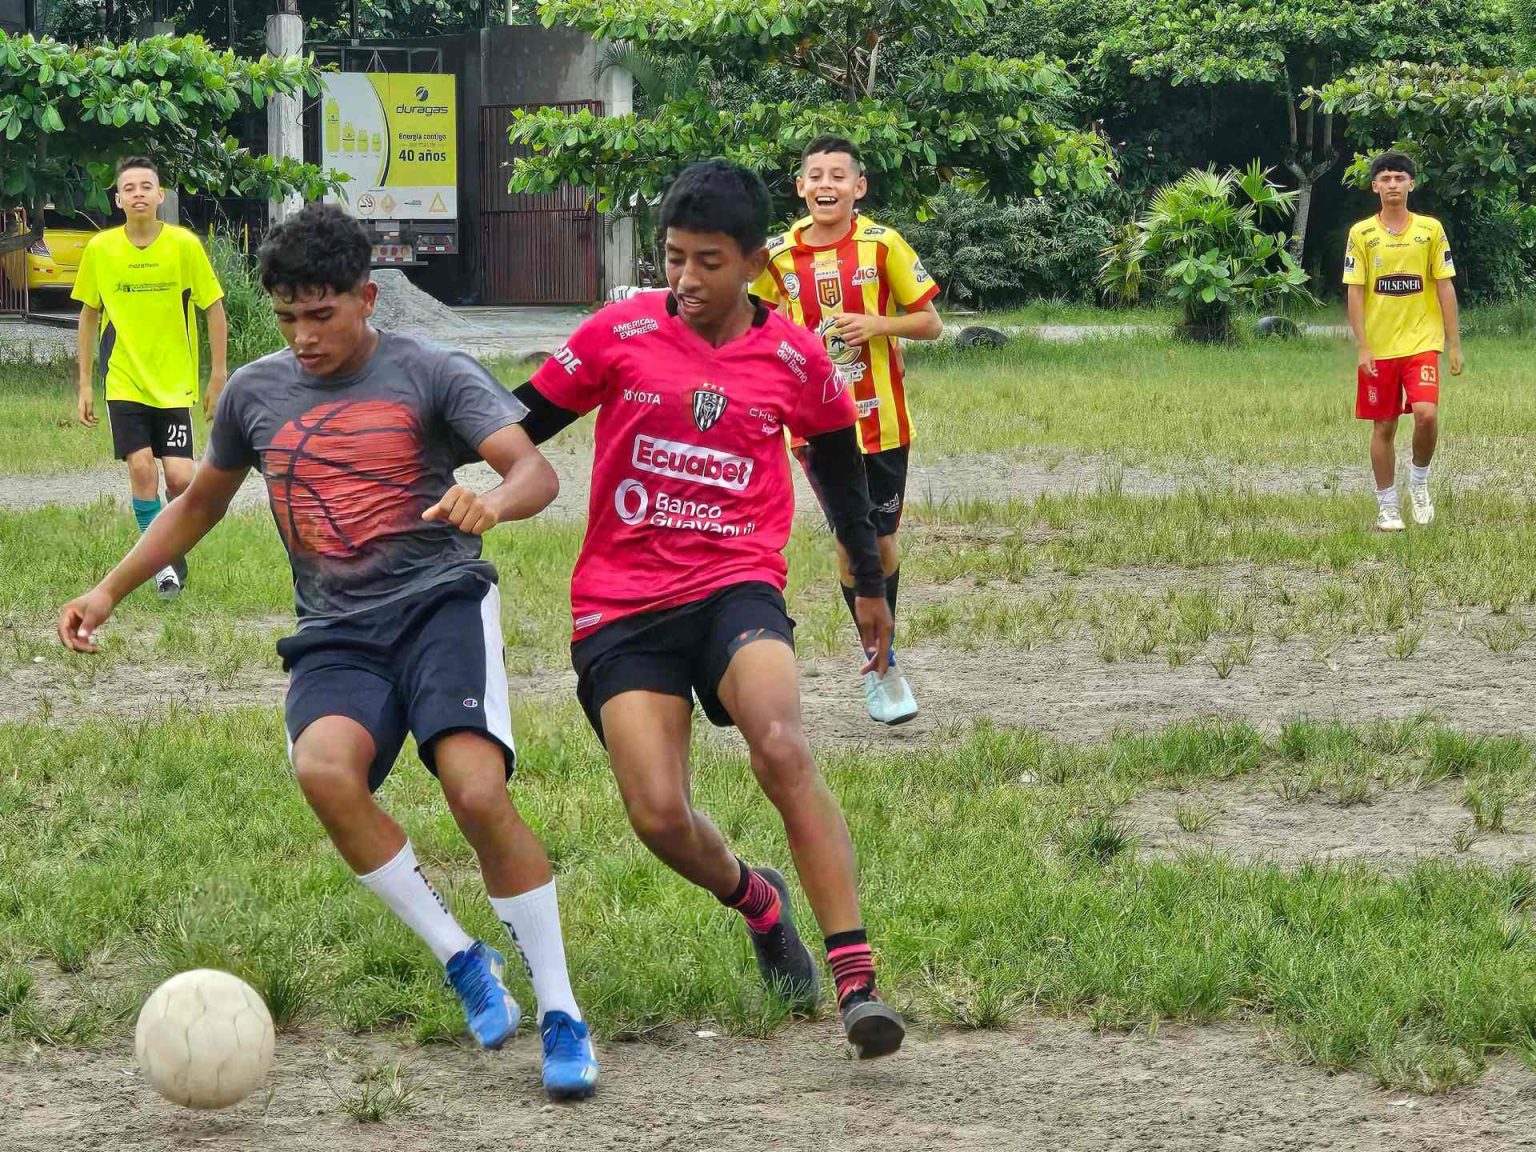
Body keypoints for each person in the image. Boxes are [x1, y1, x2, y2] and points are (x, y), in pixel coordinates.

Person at [58, 204, 599, 1100]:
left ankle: (561, 1009)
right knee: (323, 769)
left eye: (322, 315)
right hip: (338, 630)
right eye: (287, 318)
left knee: (473, 788)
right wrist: (109, 589)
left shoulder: (431, 371)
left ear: (366, 298)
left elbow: (533, 471)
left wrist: (493, 503)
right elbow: (200, 504)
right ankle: (461, 957)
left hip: (440, 606)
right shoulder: (256, 393)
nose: (303, 337)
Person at [512, 159, 906, 1060]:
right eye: (674, 257)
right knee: (658, 814)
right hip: (621, 605)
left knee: (781, 743)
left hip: (736, 584)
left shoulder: (795, 357)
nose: (687, 278)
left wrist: (868, 584)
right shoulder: (618, 333)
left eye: (709, 261)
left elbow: (839, 467)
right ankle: (757, 901)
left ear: (756, 264)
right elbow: (516, 419)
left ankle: (857, 981)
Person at [752, 135, 943, 725]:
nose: (826, 185)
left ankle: (886, 647)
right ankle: (881, 668)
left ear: (858, 187)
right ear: (800, 187)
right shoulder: (777, 256)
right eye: (816, 176)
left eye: (839, 176)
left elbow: (931, 323)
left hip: (883, 425)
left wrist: (878, 325)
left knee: (880, 542)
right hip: (815, 427)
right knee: (847, 537)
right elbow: (752, 323)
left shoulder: (883, 245)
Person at [73, 156, 229, 600]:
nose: (138, 193)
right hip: (123, 379)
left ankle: (171, 546)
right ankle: (161, 567)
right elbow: (88, 315)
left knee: (180, 479)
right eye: (129, 188)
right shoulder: (100, 249)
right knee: (142, 468)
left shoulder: (184, 246)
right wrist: (85, 383)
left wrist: (218, 375)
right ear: (117, 199)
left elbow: (213, 308)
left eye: (146, 186)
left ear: (160, 195)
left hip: (174, 382)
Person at [1344, 150, 1463, 532]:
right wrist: (1363, 345)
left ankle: (1419, 483)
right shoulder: (1361, 234)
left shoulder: (1430, 230)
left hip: (1422, 343)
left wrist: (1454, 343)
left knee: (1426, 414)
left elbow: (1444, 286)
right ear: (1375, 187)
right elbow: (1355, 292)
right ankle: (1387, 506)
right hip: (1380, 348)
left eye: (1399, 178)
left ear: (1412, 183)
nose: (1393, 184)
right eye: (1386, 179)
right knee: (1384, 427)